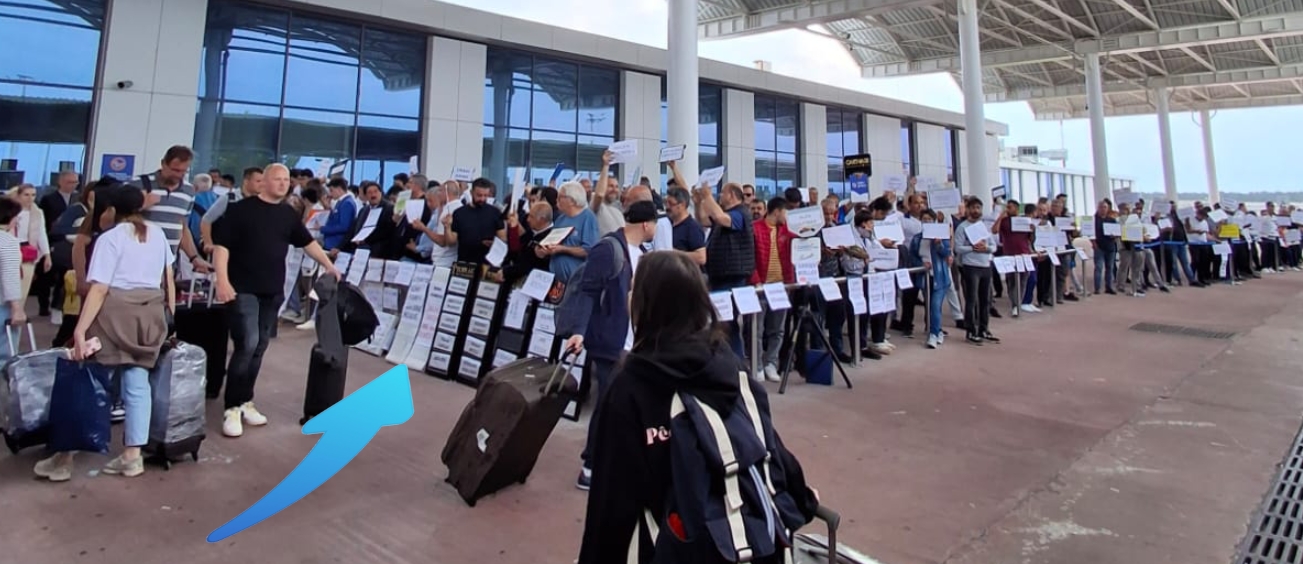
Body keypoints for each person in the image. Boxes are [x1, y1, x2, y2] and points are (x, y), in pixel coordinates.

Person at [575, 250, 819, 564]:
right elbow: (766, 443)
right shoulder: (728, 363)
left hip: (671, 546)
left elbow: (612, 498)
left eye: (636, 286)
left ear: (647, 304)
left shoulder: (630, 387)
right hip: (748, 543)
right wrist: (803, 498)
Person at [34, 187, 175, 481]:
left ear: (112, 210)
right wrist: (169, 315)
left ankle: (64, 458)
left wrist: (81, 329)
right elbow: (168, 277)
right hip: (151, 311)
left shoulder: (111, 239)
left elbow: (99, 288)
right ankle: (132, 457)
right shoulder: (157, 233)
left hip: (115, 312)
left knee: (90, 380)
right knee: (138, 383)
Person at [212, 163, 341, 438]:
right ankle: (231, 407)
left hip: (272, 290)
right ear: (263, 182)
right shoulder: (239, 211)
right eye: (278, 179)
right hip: (242, 288)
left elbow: (307, 243)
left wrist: (328, 265)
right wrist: (221, 280)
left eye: (286, 180)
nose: (284, 184)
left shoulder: (287, 214)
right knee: (245, 344)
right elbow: (221, 248)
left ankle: (246, 400)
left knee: (259, 346)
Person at [561, 200, 659, 492]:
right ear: (646, 224)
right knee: (607, 403)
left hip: (633, 343)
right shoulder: (609, 248)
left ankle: (617, 461)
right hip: (609, 342)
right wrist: (579, 331)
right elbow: (588, 292)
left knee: (628, 404)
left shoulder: (643, 254)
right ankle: (591, 465)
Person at [955, 197, 998, 346]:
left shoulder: (984, 227)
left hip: (985, 265)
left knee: (985, 300)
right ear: (967, 209)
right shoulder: (962, 227)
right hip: (970, 266)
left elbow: (994, 246)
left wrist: (986, 248)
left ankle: (984, 329)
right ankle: (971, 330)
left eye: (978, 208)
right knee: (972, 299)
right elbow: (958, 248)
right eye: (973, 208)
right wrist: (973, 248)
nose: (976, 211)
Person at [446, 178, 505, 265]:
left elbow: (503, 239)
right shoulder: (459, 213)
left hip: (487, 265)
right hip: (464, 264)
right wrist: (447, 227)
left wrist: (495, 244)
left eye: (485, 196)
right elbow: (451, 242)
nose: (482, 199)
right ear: (471, 192)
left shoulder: (494, 212)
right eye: (479, 195)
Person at [0, 198, 28, 361]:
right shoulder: (7, 241)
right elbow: (9, 275)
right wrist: (17, 308)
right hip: (1, 304)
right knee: (5, 355)